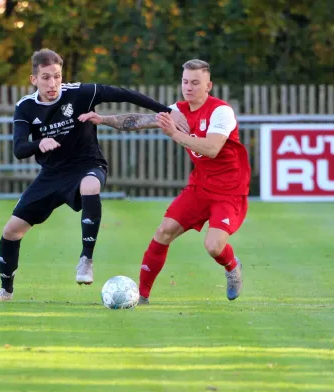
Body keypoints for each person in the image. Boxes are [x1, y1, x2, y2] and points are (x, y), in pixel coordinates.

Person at [0, 48, 189, 302]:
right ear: (34, 79)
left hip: (88, 163)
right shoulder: (25, 107)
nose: (53, 83)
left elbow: (124, 94)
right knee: (11, 231)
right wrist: (39, 143)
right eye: (45, 77)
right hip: (52, 174)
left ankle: (86, 259)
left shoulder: (80, 92)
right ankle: (5, 291)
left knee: (90, 186)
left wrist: (167, 110)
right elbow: (19, 149)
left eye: (57, 76)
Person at [78, 59, 250, 303]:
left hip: (230, 191)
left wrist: (175, 134)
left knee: (213, 246)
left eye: (195, 83)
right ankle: (142, 297)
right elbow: (139, 120)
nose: (188, 87)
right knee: (164, 231)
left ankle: (232, 267)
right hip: (200, 186)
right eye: (185, 82)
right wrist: (104, 119)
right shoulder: (177, 111)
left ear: (208, 85)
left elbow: (212, 148)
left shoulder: (220, 111)